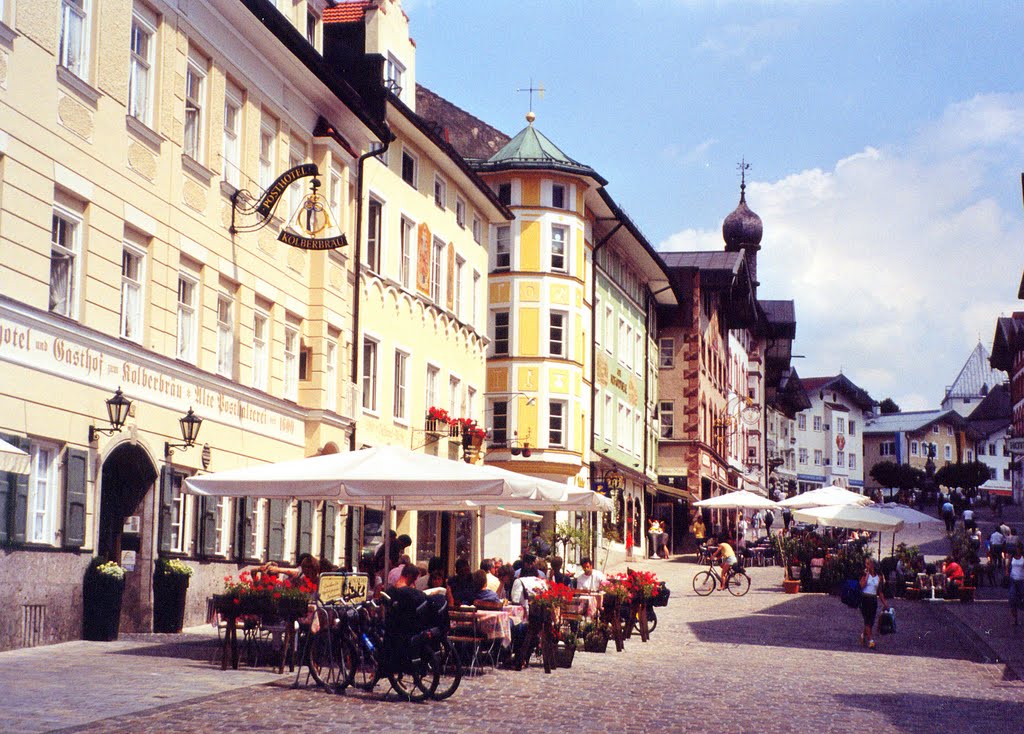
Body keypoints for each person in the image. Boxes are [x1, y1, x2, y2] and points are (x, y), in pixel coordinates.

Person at [859, 557, 887, 649]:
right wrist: (866, 576)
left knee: (870, 621)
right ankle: (871, 641)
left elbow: (880, 591)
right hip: (864, 599)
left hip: (873, 600)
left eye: (868, 564)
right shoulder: (864, 574)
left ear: (872, 565)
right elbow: (861, 586)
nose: (866, 566)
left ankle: (863, 635)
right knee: (867, 620)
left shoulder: (879, 577)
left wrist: (885, 603)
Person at [1008, 544, 1024, 627]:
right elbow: (1008, 566)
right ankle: (1015, 619)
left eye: (1019, 549)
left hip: (1021, 581)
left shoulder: (1023, 558)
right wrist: (1007, 573)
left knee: (1021, 600)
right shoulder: (1012, 557)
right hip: (1013, 580)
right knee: (1012, 599)